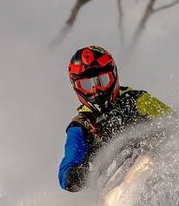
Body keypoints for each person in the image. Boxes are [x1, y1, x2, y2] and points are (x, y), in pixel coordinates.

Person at [59, 45, 172, 192]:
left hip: (156, 163)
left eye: (103, 80)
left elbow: (174, 121)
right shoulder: (80, 127)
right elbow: (68, 162)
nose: (97, 90)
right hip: (111, 187)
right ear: (76, 87)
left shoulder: (138, 100)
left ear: (114, 75)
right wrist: (73, 175)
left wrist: (164, 135)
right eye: (88, 85)